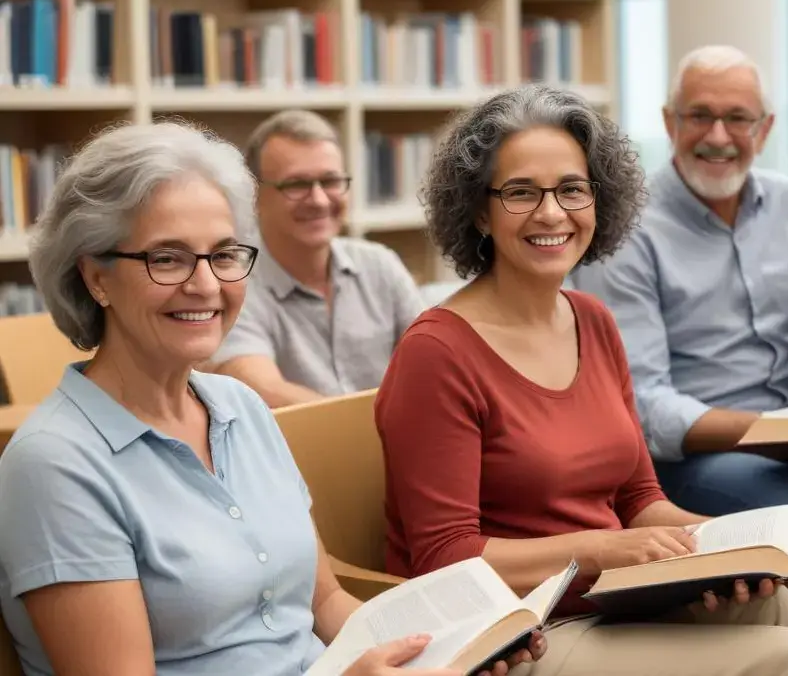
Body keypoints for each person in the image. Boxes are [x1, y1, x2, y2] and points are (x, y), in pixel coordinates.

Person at [0, 121, 540, 676]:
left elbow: (325, 604)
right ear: (96, 277)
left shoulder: (241, 407)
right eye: (167, 257)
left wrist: (453, 648)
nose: (206, 284)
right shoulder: (54, 465)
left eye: (224, 254)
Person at [375, 84, 788, 676]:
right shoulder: (437, 352)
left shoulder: (594, 322)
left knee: (770, 604)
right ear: (479, 210)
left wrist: (731, 542)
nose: (552, 213)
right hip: (518, 633)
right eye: (522, 192)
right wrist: (600, 549)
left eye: (572, 190)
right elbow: (444, 557)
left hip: (616, 595)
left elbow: (638, 499)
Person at [571, 46, 788, 675]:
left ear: (765, 128)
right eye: (699, 116)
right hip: (700, 457)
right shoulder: (625, 229)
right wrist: (775, 438)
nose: (718, 137)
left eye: (738, 119)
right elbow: (644, 404)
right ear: (668, 123)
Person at [211, 110, 424, 407]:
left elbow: (434, 366)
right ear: (255, 196)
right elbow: (261, 389)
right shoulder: (233, 282)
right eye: (296, 185)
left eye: (331, 181)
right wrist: (382, 424)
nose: (320, 200)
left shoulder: (380, 265)